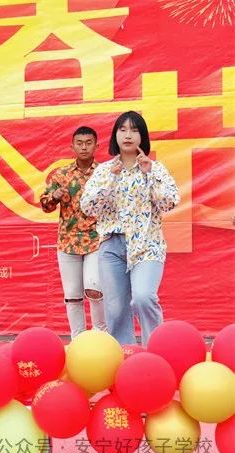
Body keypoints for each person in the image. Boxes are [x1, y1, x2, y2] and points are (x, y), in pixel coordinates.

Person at [81, 111, 180, 346]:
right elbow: (88, 207)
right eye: (123, 130)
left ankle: (155, 350)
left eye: (134, 130)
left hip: (147, 244)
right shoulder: (104, 171)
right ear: (115, 136)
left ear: (142, 137)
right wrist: (110, 179)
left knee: (143, 298)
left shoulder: (154, 168)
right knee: (115, 309)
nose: (128, 135)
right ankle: (125, 356)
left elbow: (169, 202)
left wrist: (150, 174)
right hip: (112, 246)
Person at [40, 126, 107, 339]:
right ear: (72, 147)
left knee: (94, 288)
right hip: (67, 242)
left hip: (96, 239)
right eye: (79, 143)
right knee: (72, 295)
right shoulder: (61, 174)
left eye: (88, 143)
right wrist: (54, 197)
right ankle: (77, 338)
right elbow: (45, 205)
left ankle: (100, 335)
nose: (84, 147)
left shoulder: (104, 173)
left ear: (96, 146)